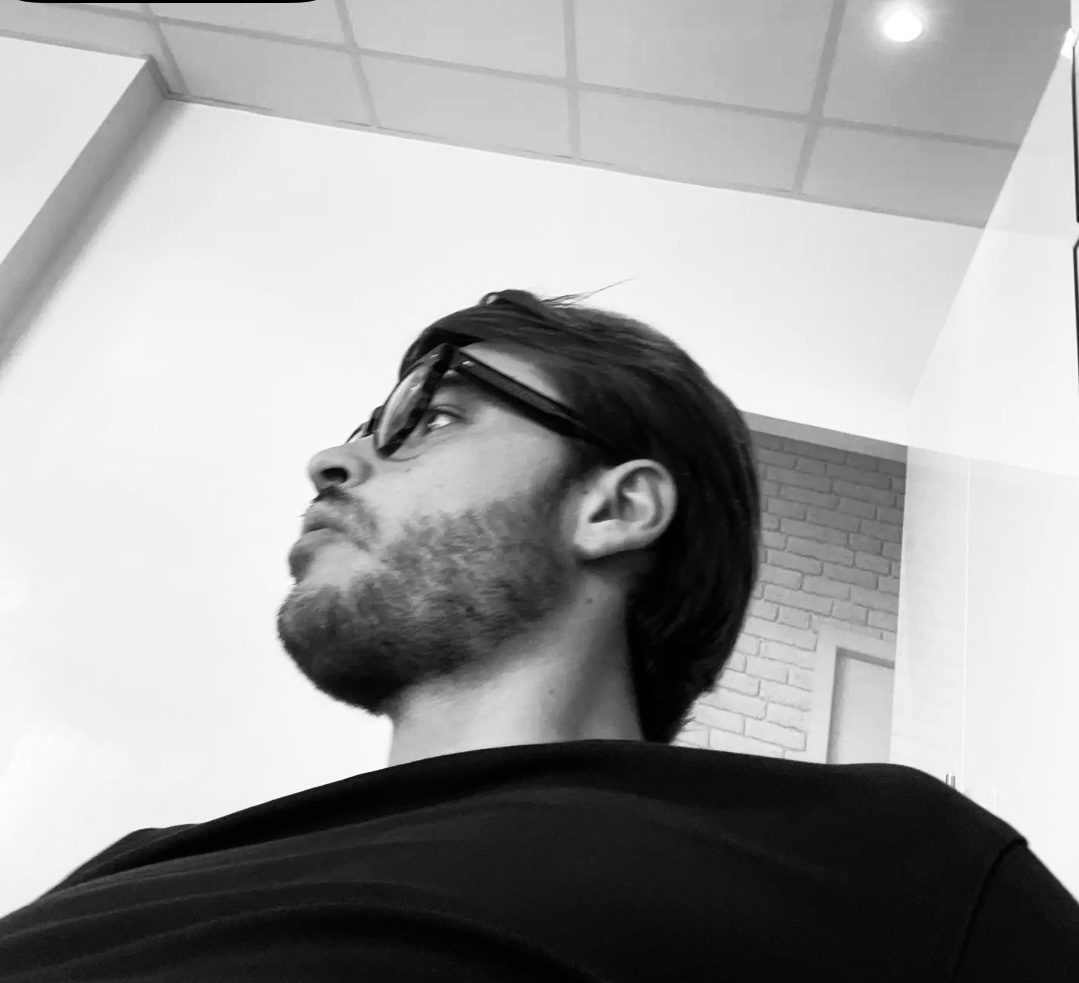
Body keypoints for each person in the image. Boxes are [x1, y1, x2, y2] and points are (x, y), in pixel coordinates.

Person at [0, 288, 1077, 980]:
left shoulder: (891, 866)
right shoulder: (133, 866)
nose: (330, 460)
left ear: (613, 507)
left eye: (428, 420)